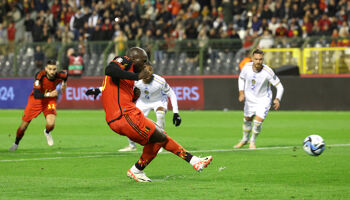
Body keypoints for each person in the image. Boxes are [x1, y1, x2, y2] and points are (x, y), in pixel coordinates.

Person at [86, 47, 212, 182]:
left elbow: (115, 93)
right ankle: (136, 170)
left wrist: (134, 95)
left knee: (160, 134)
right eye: (144, 60)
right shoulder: (126, 61)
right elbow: (109, 70)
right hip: (124, 116)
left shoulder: (128, 81)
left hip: (123, 116)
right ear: (133, 59)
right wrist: (137, 76)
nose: (146, 63)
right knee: (159, 138)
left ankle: (194, 160)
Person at [118, 64, 181, 152]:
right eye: (145, 72)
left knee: (160, 114)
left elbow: (172, 94)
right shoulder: (135, 80)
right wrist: (99, 90)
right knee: (131, 121)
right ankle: (132, 146)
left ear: (152, 72)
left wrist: (176, 112)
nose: (147, 75)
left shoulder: (160, 81)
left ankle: (160, 143)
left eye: (149, 72)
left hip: (159, 101)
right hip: (143, 102)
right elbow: (119, 88)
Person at [9, 59, 68, 151]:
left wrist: (64, 84)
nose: (52, 71)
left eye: (54, 69)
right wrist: (49, 94)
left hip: (49, 101)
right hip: (36, 101)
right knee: (24, 126)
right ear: (46, 69)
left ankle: (47, 132)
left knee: (51, 123)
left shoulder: (62, 74)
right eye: (50, 69)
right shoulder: (40, 75)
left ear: (56, 69)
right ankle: (16, 143)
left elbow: (65, 76)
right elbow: (36, 94)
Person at [234, 49, 284, 149]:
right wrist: (241, 93)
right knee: (247, 120)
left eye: (260, 59)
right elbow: (241, 78)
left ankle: (252, 141)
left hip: (263, 100)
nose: (258, 61)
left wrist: (277, 99)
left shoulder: (268, 72)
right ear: (252, 59)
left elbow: (280, 87)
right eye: (256, 59)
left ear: (263, 59)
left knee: (257, 123)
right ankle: (244, 140)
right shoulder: (246, 67)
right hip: (249, 99)